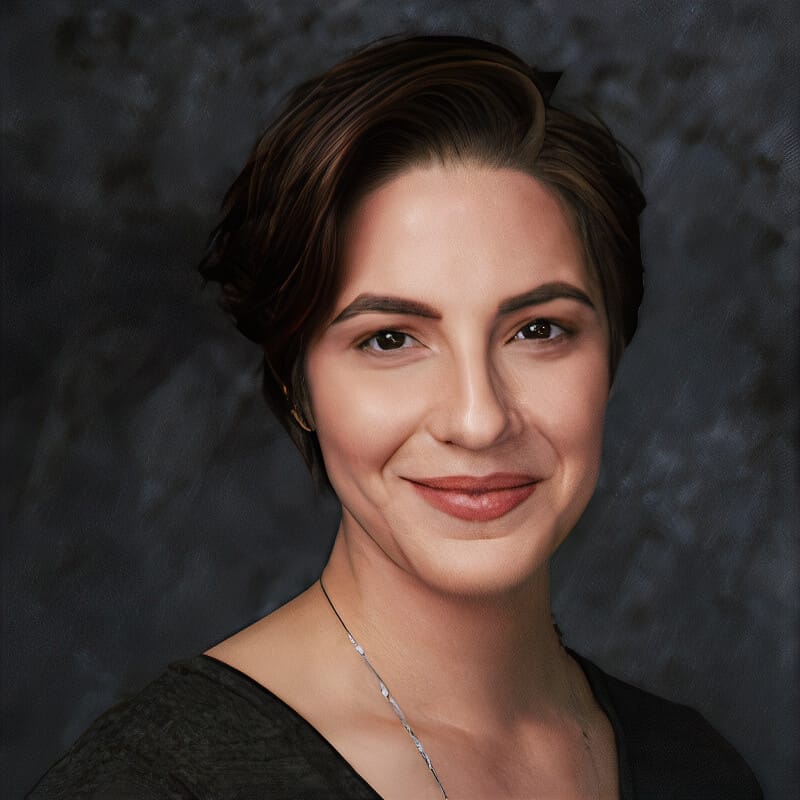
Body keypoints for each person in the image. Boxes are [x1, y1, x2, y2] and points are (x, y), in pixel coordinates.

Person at [29, 35, 762, 800]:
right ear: (295, 386)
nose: (479, 420)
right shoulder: (154, 784)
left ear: (609, 355)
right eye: (390, 339)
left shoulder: (701, 770)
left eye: (538, 330)